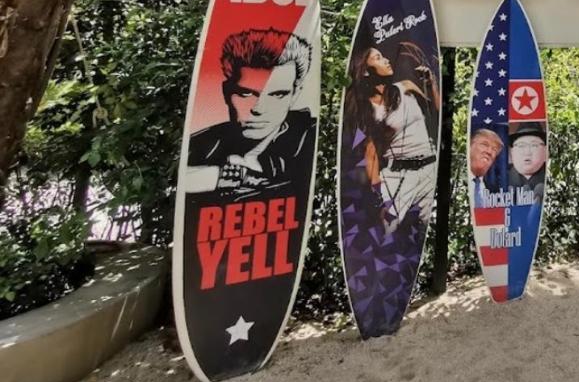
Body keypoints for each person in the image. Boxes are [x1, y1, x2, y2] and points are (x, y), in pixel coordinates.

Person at [184, 27, 316, 199]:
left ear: (295, 95)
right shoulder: (200, 144)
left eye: (277, 95)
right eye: (245, 93)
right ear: (226, 92)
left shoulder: (309, 137)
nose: (259, 109)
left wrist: (233, 177)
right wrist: (224, 176)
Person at [344, 42, 438, 234]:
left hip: (429, 168)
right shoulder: (367, 109)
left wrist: (431, 83)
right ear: (367, 72)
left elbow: (436, 109)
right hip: (398, 175)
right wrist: (378, 195)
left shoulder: (406, 87)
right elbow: (370, 154)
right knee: (387, 234)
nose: (386, 60)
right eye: (378, 58)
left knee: (424, 233)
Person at [507, 122, 548, 201]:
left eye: (534, 145)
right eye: (521, 145)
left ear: (545, 151)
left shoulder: (552, 177)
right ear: (512, 152)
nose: (527, 152)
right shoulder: (498, 181)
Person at [469, 128, 504, 206]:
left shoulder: (496, 192)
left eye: (494, 149)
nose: (489, 152)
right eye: (484, 145)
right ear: (470, 146)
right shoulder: (456, 178)